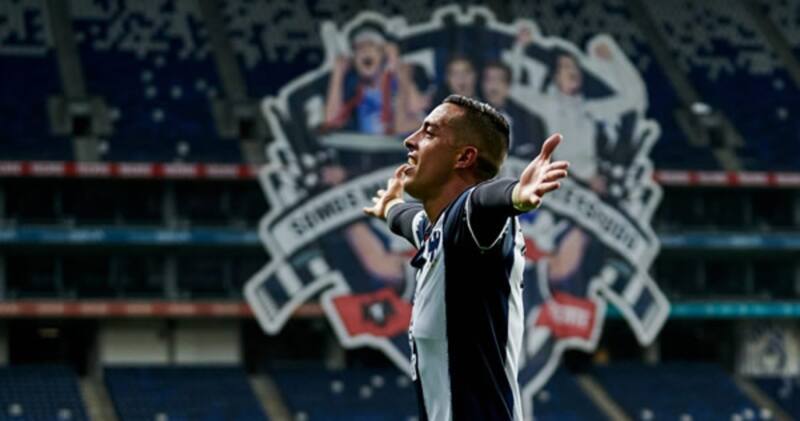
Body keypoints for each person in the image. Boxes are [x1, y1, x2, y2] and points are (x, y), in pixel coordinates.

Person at [363, 95, 569, 420]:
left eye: (429, 133)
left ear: (464, 157)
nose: (410, 140)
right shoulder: (439, 231)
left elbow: (487, 200)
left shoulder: (471, 216)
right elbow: (406, 220)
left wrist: (516, 195)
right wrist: (388, 206)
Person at [480, 60, 546, 158]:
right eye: (489, 80)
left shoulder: (530, 121)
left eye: (499, 80)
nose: (493, 85)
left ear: (508, 85)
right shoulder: (471, 118)